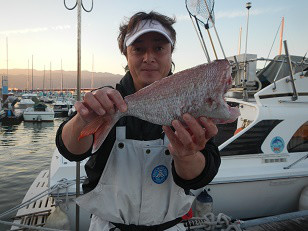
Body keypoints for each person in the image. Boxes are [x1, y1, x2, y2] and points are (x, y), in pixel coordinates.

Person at [56, 11, 221, 231]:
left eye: (159, 48)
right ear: (126, 54)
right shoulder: (107, 103)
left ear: (171, 52)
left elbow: (201, 175)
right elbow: (71, 150)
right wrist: (82, 119)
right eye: (138, 49)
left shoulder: (192, 103)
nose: (148, 57)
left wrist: (187, 155)